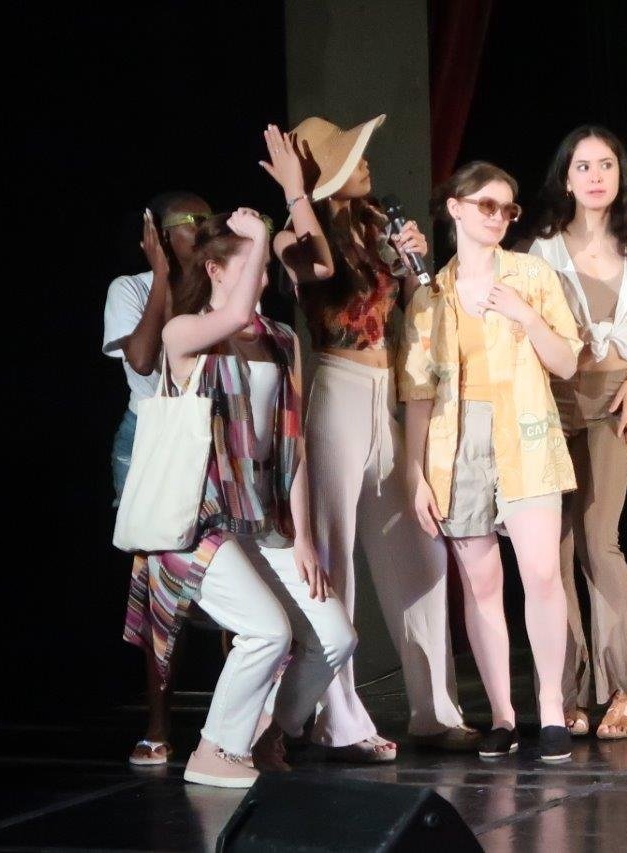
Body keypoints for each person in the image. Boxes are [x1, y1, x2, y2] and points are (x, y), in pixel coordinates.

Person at [124, 209, 357, 788]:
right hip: (199, 522)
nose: (259, 280)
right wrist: (258, 234)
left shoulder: (280, 341)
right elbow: (228, 315)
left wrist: (302, 537)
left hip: (262, 517)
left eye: (261, 270)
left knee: (335, 637)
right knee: (266, 630)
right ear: (215, 270)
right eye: (246, 267)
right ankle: (215, 750)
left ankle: (268, 732)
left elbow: (292, 444)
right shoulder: (183, 334)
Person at [266, 117, 476, 761]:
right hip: (337, 390)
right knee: (332, 554)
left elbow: (411, 314)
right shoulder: (294, 238)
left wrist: (414, 269)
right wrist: (299, 194)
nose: (367, 165)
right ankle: (339, 719)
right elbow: (317, 265)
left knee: (418, 543)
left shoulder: (376, 223)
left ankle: (435, 710)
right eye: (354, 157)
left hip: (390, 391)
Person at [401, 161, 583, 761]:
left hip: (525, 432)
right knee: (481, 585)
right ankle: (503, 716)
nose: (499, 217)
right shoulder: (431, 294)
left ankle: (551, 709)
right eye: (486, 205)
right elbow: (418, 392)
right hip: (457, 444)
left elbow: (567, 362)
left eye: (508, 208)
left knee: (541, 575)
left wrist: (525, 316)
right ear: (453, 207)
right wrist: (415, 474)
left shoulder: (531, 275)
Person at [527, 125, 627, 739]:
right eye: (583, 166)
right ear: (566, 178)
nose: (594, 176)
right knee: (555, 548)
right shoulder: (543, 251)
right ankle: (565, 690)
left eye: (606, 166)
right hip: (554, 401)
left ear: (620, 178)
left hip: (616, 398)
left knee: (600, 538)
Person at [103, 191, 212, 766]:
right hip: (148, 442)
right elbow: (144, 360)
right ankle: (158, 722)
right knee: (158, 582)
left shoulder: (221, 283)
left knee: (223, 571)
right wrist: (163, 278)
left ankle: (236, 727)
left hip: (207, 438)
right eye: (190, 223)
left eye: (207, 219)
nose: (203, 228)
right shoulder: (130, 289)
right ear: (158, 233)